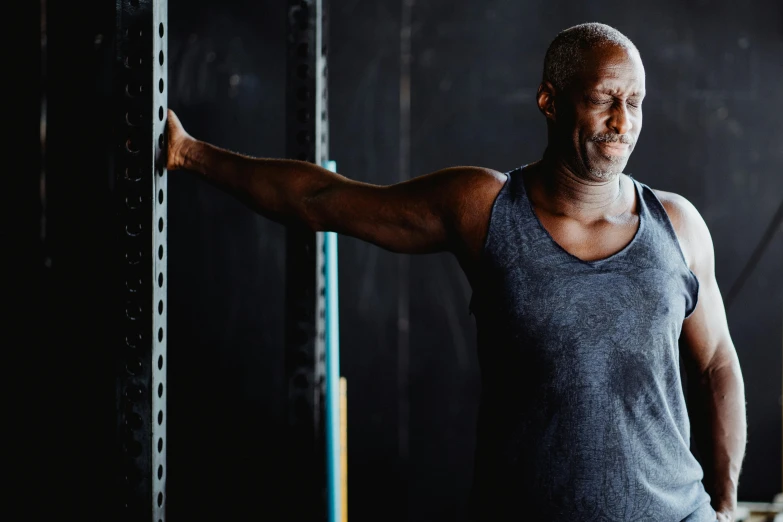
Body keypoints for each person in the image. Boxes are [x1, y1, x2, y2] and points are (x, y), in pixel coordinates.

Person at [165, 22, 745, 522]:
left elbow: (718, 363)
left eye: (636, 101)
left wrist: (724, 505)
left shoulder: (678, 227)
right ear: (550, 100)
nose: (623, 120)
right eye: (604, 98)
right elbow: (321, 198)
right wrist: (191, 154)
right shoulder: (485, 209)